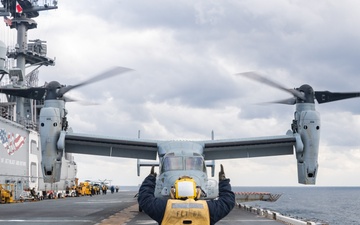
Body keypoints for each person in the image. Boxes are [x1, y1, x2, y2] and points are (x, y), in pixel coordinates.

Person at [138, 164, 235, 225]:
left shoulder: (164, 208)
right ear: (196, 192)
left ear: (174, 192)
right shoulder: (208, 209)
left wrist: (150, 178)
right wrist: (223, 181)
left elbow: (144, 198)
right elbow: (228, 201)